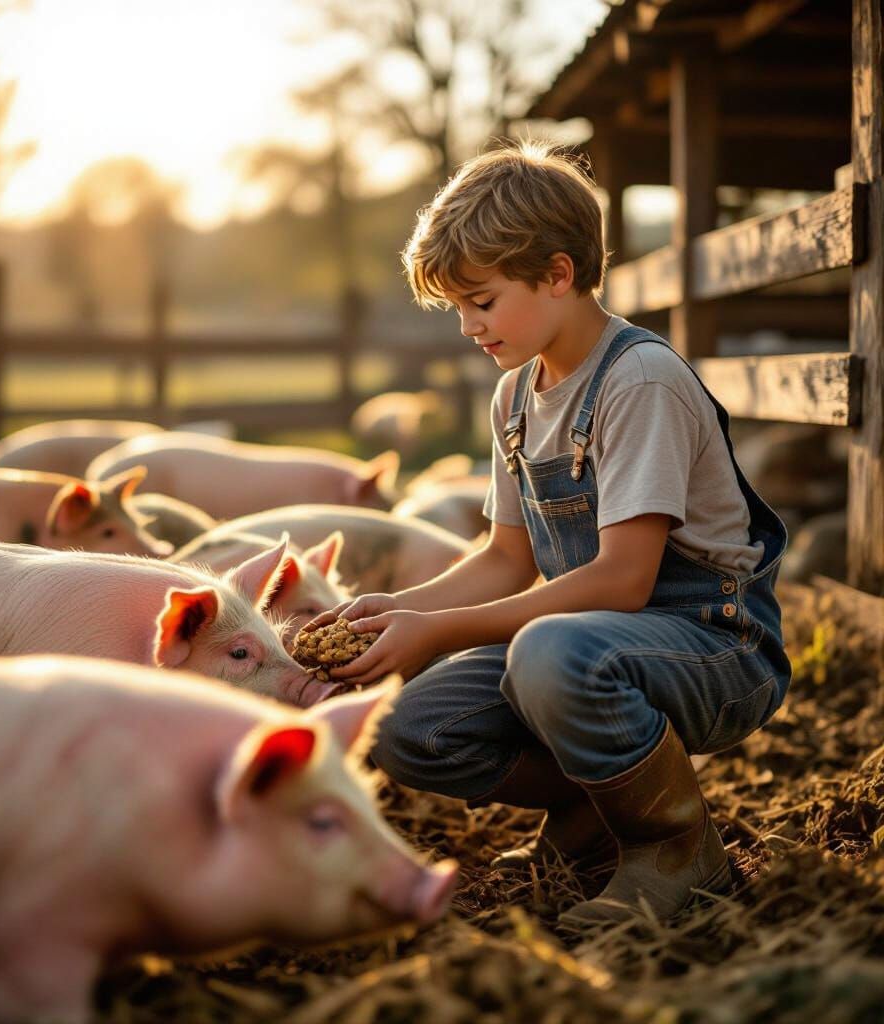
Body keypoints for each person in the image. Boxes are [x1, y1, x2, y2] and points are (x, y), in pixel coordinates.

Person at [304, 141, 791, 927]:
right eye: (458, 308)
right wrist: (399, 607)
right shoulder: (515, 398)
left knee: (547, 652)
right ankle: (598, 814)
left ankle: (675, 847)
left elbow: (622, 581)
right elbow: (504, 559)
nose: (467, 325)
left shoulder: (638, 381)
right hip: (593, 645)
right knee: (412, 728)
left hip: (715, 644)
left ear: (558, 274)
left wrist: (440, 630)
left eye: (483, 301)